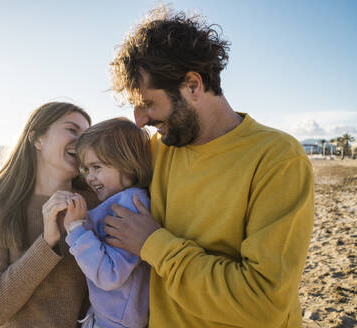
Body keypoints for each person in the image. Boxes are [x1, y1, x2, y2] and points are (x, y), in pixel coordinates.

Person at [104, 7, 314, 328]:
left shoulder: (277, 158)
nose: (141, 120)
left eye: (148, 103)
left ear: (192, 85)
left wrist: (154, 245)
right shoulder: (158, 150)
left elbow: (263, 303)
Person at [0, 102, 99, 327]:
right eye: (72, 130)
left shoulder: (97, 202)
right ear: (37, 138)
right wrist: (47, 242)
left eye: (86, 135)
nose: (82, 141)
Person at [62, 118, 152, 328]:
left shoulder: (129, 207)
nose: (90, 178)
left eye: (97, 167)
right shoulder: (120, 201)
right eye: (85, 170)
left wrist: (76, 229)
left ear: (128, 165)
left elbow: (110, 274)